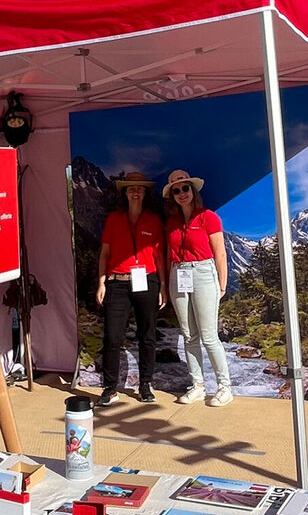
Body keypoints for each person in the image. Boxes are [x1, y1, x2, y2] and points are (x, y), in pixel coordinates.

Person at [162, 169, 233, 407]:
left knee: (209, 335)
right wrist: (165, 283)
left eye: (185, 188)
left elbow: (220, 253)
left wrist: (222, 283)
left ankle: (224, 387)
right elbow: (166, 254)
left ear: (193, 190)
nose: (182, 193)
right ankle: (197, 386)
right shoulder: (171, 222)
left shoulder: (208, 217)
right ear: (172, 195)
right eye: (176, 190)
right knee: (189, 334)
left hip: (203, 272)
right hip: (177, 273)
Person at [95, 171, 166, 405]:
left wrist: (163, 285)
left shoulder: (154, 220)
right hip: (117, 283)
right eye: (131, 188)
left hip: (147, 280)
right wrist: (101, 283)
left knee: (147, 335)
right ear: (124, 192)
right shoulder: (114, 219)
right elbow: (105, 253)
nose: (135, 192)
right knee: (113, 337)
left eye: (140, 188)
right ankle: (110, 388)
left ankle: (145, 384)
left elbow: (159, 255)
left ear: (145, 193)